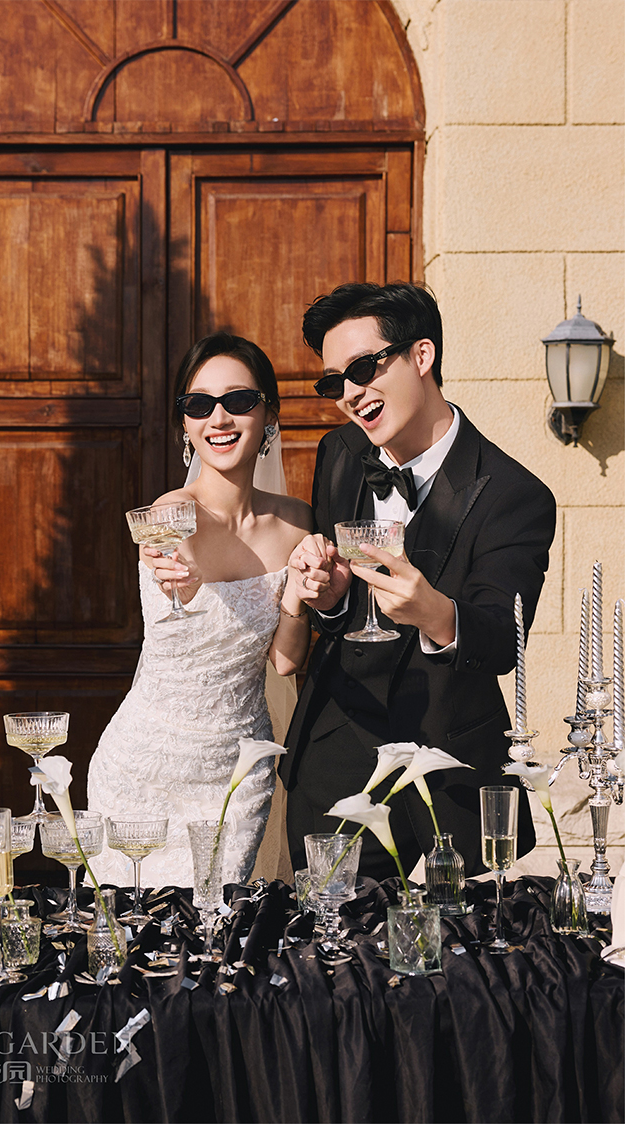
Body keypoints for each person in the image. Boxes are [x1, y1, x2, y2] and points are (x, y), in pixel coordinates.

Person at [280, 282, 557, 879]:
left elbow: (500, 641)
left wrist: (434, 612)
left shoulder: (516, 495)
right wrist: (330, 600)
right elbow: (336, 602)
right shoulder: (338, 453)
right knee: (327, 933)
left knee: (449, 940)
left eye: (362, 369)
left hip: (449, 773)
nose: (349, 395)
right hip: (333, 755)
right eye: (334, 383)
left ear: (421, 355)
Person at [88, 332, 312, 888]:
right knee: (137, 931)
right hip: (143, 767)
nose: (219, 418)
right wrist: (173, 577)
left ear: (269, 416)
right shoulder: (171, 513)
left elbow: (286, 662)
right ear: (185, 425)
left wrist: (297, 595)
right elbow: (163, 559)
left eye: (239, 400)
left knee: (219, 927)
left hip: (237, 774)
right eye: (199, 404)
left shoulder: (297, 523)